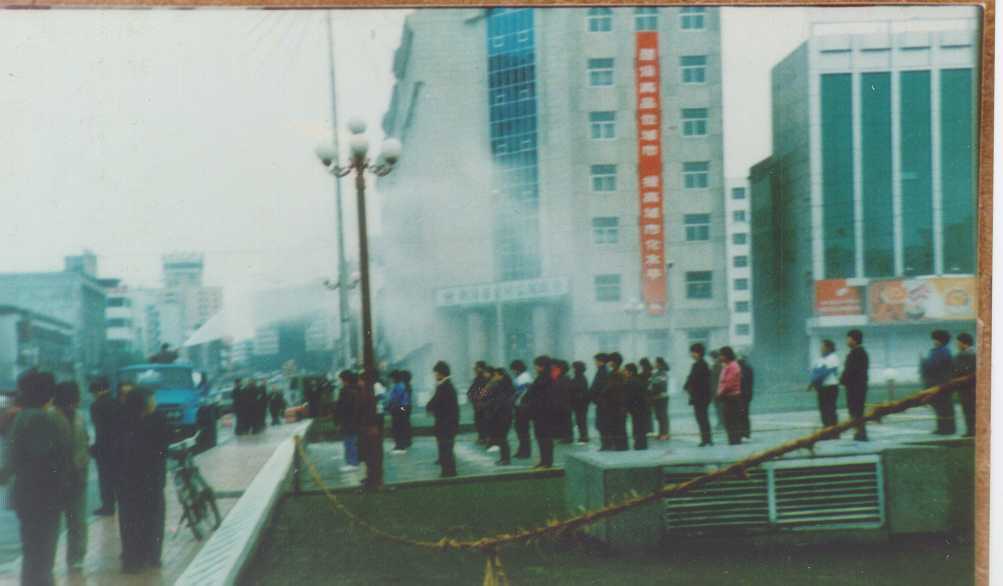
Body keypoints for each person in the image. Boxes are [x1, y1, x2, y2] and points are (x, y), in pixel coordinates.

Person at [4, 370, 72, 586]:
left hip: (29, 494)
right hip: (44, 495)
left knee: (34, 550)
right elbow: (44, 460)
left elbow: (12, 460)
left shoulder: (24, 417)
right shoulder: (42, 418)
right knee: (42, 552)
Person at [118, 386, 171, 573]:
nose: (155, 402)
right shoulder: (157, 420)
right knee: (153, 519)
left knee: (131, 521)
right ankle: (152, 556)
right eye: (152, 398)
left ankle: (133, 558)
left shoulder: (123, 421)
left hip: (128, 483)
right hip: (151, 481)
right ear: (144, 402)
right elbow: (164, 447)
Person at [54, 382, 90, 572]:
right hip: (56, 479)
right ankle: (50, 559)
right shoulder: (50, 417)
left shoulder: (80, 416)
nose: (74, 404)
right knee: (53, 523)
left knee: (78, 520)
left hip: (77, 476)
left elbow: (85, 441)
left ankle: (76, 557)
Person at [89, 376, 121, 516]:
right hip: (119, 446)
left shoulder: (96, 406)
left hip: (104, 447)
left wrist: (95, 448)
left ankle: (108, 506)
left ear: (97, 391)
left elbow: (100, 429)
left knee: (105, 479)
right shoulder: (117, 402)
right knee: (118, 477)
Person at [427, 361, 459, 478]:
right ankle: (447, 470)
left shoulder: (446, 387)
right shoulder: (444, 385)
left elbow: (442, 404)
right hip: (445, 423)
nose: (435, 375)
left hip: (446, 423)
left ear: (441, 373)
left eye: (436, 373)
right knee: (445, 447)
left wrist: (431, 407)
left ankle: (449, 471)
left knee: (446, 447)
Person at [922, 330, 956, 435]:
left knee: (943, 407)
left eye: (935, 339)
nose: (934, 341)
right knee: (941, 407)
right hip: (942, 383)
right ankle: (944, 428)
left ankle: (946, 429)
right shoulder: (943, 351)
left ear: (940, 340)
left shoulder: (940, 352)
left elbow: (933, 366)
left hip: (940, 383)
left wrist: (924, 363)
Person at [526, 356, 558, 468]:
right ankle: (544, 460)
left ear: (542, 366)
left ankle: (547, 461)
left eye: (536, 365)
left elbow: (543, 396)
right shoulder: (543, 377)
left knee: (545, 437)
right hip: (540, 412)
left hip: (543, 413)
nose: (535, 367)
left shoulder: (546, 379)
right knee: (541, 437)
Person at [354, 371, 383, 491]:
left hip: (369, 428)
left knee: (371, 455)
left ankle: (373, 479)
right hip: (369, 427)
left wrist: (372, 425)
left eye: (360, 380)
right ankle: (372, 478)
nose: (358, 382)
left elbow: (368, 411)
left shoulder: (368, 394)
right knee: (370, 455)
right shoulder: (367, 393)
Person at [840, 329, 870, 441]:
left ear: (854, 340)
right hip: (857, 386)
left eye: (848, 338)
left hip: (856, 387)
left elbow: (851, 370)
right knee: (856, 411)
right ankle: (859, 432)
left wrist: (842, 379)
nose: (847, 341)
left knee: (856, 411)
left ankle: (860, 433)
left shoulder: (857, 353)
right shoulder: (858, 352)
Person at [808, 340, 841, 437]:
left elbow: (824, 372)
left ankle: (834, 432)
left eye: (823, 347)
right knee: (823, 410)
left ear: (829, 348)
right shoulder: (820, 359)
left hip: (830, 387)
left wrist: (814, 381)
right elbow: (815, 371)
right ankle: (826, 430)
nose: (821, 349)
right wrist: (812, 382)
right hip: (822, 387)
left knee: (830, 409)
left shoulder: (833, 358)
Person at [483, 368, 516, 465]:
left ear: (500, 375)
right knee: (501, 437)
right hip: (504, 414)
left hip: (501, 414)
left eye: (495, 375)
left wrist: (490, 383)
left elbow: (483, 394)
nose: (494, 377)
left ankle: (505, 459)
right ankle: (504, 458)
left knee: (502, 437)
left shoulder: (499, 386)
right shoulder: (505, 385)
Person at [684, 343, 713, 446]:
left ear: (698, 353)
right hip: (700, 396)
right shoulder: (699, 364)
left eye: (693, 352)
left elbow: (694, 379)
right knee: (702, 417)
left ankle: (706, 439)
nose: (691, 354)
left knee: (702, 417)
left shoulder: (701, 365)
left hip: (701, 396)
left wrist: (687, 385)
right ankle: (706, 439)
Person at [716, 347, 744, 445]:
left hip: (732, 397)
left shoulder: (733, 366)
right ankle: (732, 440)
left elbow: (728, 383)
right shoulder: (727, 366)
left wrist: (720, 394)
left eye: (721, 355)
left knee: (732, 421)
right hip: (728, 396)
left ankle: (735, 441)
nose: (720, 357)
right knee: (729, 420)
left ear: (726, 355)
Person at [335, 371, 361, 471]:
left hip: (347, 420)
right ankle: (353, 461)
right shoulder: (356, 390)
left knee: (349, 442)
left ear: (345, 380)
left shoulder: (346, 391)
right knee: (352, 441)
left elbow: (343, 407)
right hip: (354, 420)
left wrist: (338, 420)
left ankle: (352, 463)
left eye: (341, 379)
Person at [953, 332, 976, 438]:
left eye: (958, 343)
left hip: (965, 387)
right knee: (973, 410)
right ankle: (973, 430)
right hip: (973, 386)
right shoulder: (976, 353)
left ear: (964, 343)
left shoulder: (964, 355)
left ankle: (971, 431)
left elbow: (958, 371)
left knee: (968, 410)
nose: (957, 345)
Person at [510, 360, 534, 459]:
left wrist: (513, 400)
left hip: (523, 407)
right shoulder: (522, 377)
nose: (512, 371)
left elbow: (522, 392)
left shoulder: (524, 378)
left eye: (513, 369)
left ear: (517, 369)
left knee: (523, 430)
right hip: (520, 406)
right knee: (520, 430)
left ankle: (525, 452)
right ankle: (521, 450)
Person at [605, 353, 629, 451]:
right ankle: (620, 446)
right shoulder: (618, 372)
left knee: (618, 426)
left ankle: (620, 446)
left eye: (610, 361)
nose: (609, 363)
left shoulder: (617, 374)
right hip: (618, 404)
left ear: (614, 362)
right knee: (618, 426)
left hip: (617, 404)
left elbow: (613, 388)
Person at [623, 364, 648, 450]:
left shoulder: (631, 382)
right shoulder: (637, 380)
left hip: (637, 408)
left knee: (638, 427)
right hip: (641, 407)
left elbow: (629, 397)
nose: (624, 372)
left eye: (625, 370)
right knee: (640, 427)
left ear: (630, 372)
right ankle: (641, 444)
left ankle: (639, 445)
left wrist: (626, 408)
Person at [386, 371, 412, 453]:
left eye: (391, 378)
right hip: (402, 407)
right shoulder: (401, 385)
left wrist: (392, 407)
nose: (390, 380)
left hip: (400, 407)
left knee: (398, 426)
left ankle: (400, 445)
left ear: (394, 378)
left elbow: (395, 399)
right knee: (401, 425)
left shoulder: (398, 386)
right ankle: (401, 444)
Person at [590, 354, 611, 450]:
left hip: (602, 403)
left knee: (602, 425)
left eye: (596, 361)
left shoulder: (602, 372)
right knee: (603, 424)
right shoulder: (603, 371)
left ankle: (606, 445)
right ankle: (606, 444)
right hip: (602, 402)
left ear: (600, 361)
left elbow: (598, 387)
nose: (595, 363)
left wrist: (596, 398)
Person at [467, 362, 489, 445]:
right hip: (478, 405)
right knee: (478, 422)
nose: (474, 369)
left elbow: (485, 391)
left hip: (483, 405)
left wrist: (479, 399)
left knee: (484, 421)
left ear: (481, 368)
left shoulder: (485, 379)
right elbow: (471, 391)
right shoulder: (477, 379)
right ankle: (481, 437)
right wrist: (472, 397)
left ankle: (484, 437)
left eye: (476, 368)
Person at [569, 361, 590, 444]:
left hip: (580, 403)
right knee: (580, 420)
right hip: (580, 403)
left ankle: (584, 437)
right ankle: (583, 436)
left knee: (581, 420)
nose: (572, 369)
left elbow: (578, 389)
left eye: (573, 367)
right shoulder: (580, 377)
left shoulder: (579, 378)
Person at [650, 357, 670, 440]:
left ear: (659, 364)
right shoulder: (657, 373)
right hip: (656, 397)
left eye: (655, 362)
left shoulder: (662, 373)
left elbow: (662, 385)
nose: (654, 364)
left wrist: (654, 390)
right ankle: (661, 433)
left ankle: (665, 434)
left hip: (661, 397)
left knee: (663, 416)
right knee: (659, 416)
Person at [736, 354, 754, 439]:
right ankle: (745, 432)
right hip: (746, 395)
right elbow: (750, 383)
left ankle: (743, 432)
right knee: (744, 414)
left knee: (741, 414)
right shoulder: (748, 368)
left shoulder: (740, 369)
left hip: (742, 395)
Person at [709, 350, 724, 429]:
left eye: (712, 357)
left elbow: (717, 380)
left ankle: (721, 423)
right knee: (718, 408)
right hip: (715, 391)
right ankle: (720, 422)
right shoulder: (716, 366)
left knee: (719, 408)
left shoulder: (718, 366)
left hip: (717, 391)